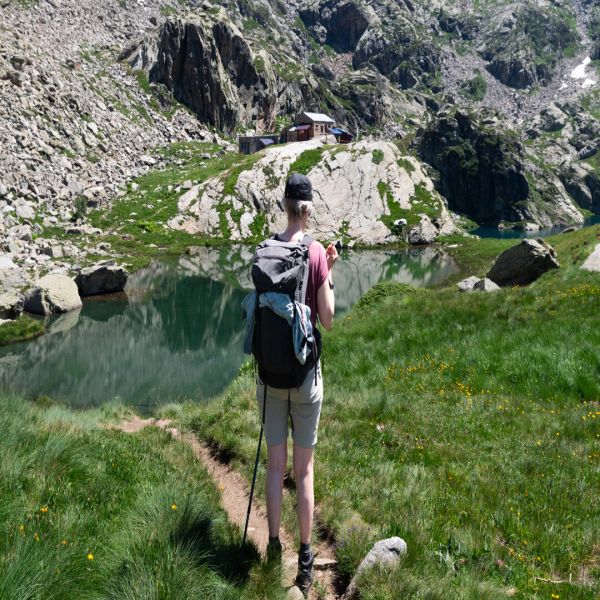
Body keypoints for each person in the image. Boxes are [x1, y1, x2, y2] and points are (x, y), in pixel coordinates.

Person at [258, 173, 337, 596]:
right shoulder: (315, 252)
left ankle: (272, 546)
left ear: (284, 205)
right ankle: (305, 558)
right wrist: (329, 272)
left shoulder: (266, 250)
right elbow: (326, 317)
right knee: (303, 471)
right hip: (305, 377)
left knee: (275, 466)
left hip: (270, 377)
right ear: (307, 208)